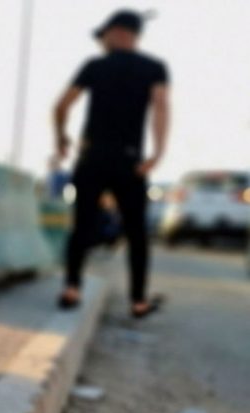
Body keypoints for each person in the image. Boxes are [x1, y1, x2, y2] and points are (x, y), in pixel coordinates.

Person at [53, 10, 170, 318]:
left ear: (116, 32)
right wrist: (157, 153)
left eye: (103, 36)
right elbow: (161, 106)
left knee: (82, 224)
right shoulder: (154, 68)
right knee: (136, 232)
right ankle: (138, 301)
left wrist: (61, 138)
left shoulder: (94, 66)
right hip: (130, 161)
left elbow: (62, 105)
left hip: (92, 157)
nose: (101, 42)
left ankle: (72, 288)